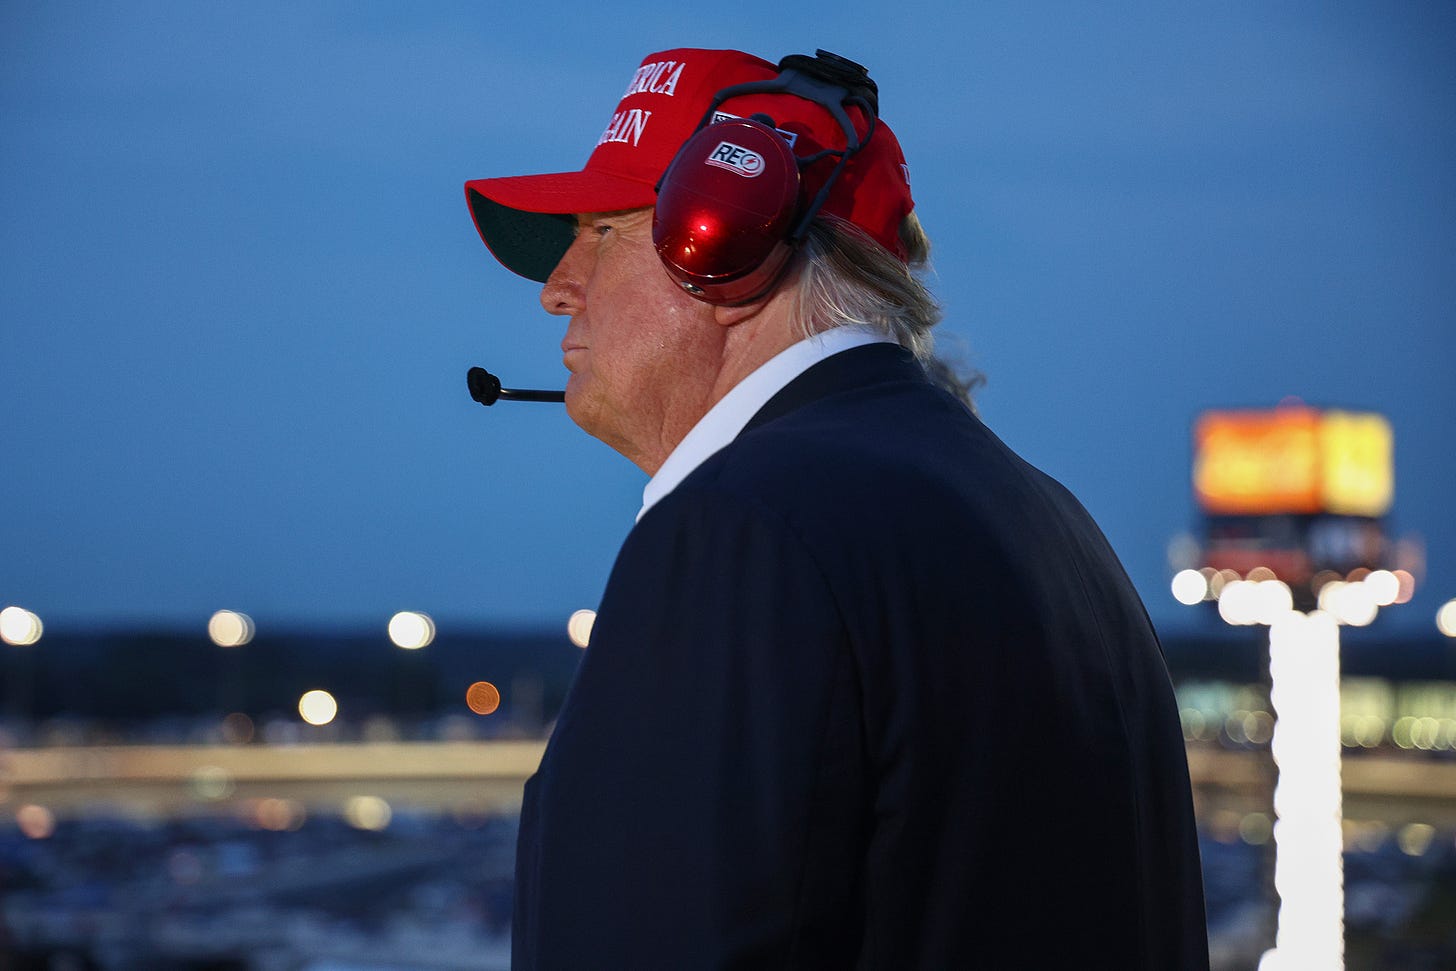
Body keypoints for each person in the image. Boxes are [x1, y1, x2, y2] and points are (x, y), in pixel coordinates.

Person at [463, 47, 1208, 970]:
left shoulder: (740, 531)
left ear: (720, 241)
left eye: (599, 231)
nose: (555, 290)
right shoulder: (1059, 528)